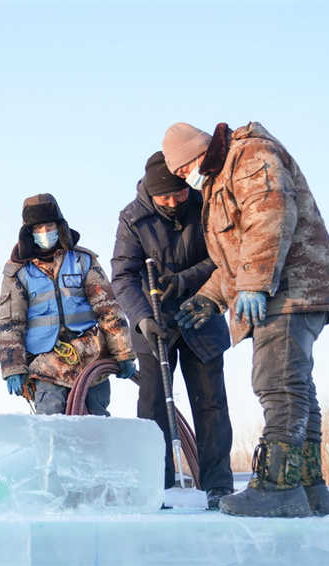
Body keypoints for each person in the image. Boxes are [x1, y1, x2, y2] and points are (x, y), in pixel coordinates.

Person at [162, 121, 329, 517]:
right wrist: (209, 298)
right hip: (286, 290)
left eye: (182, 170)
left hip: (290, 291)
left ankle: (278, 487)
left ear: (198, 153)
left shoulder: (248, 155)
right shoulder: (220, 180)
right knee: (296, 386)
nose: (184, 179)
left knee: (276, 383)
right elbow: (236, 254)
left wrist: (256, 284)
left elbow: (269, 218)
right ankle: (307, 486)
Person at [111, 151, 234, 510]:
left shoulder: (205, 206)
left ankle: (218, 486)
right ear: (151, 192)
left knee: (211, 402)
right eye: (164, 196)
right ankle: (156, 487)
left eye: (178, 193)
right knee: (153, 408)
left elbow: (221, 258)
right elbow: (123, 275)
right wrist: (140, 317)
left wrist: (182, 281)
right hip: (154, 323)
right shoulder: (133, 218)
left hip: (202, 315)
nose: (172, 201)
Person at [0, 193, 136, 415]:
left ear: (59, 227)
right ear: (29, 233)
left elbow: (108, 309)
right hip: (46, 365)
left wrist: (124, 353)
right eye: (38, 228)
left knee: (95, 426)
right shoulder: (18, 271)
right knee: (52, 427)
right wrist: (13, 366)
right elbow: (10, 322)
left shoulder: (83, 261)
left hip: (91, 357)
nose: (44, 233)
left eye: (48, 226)